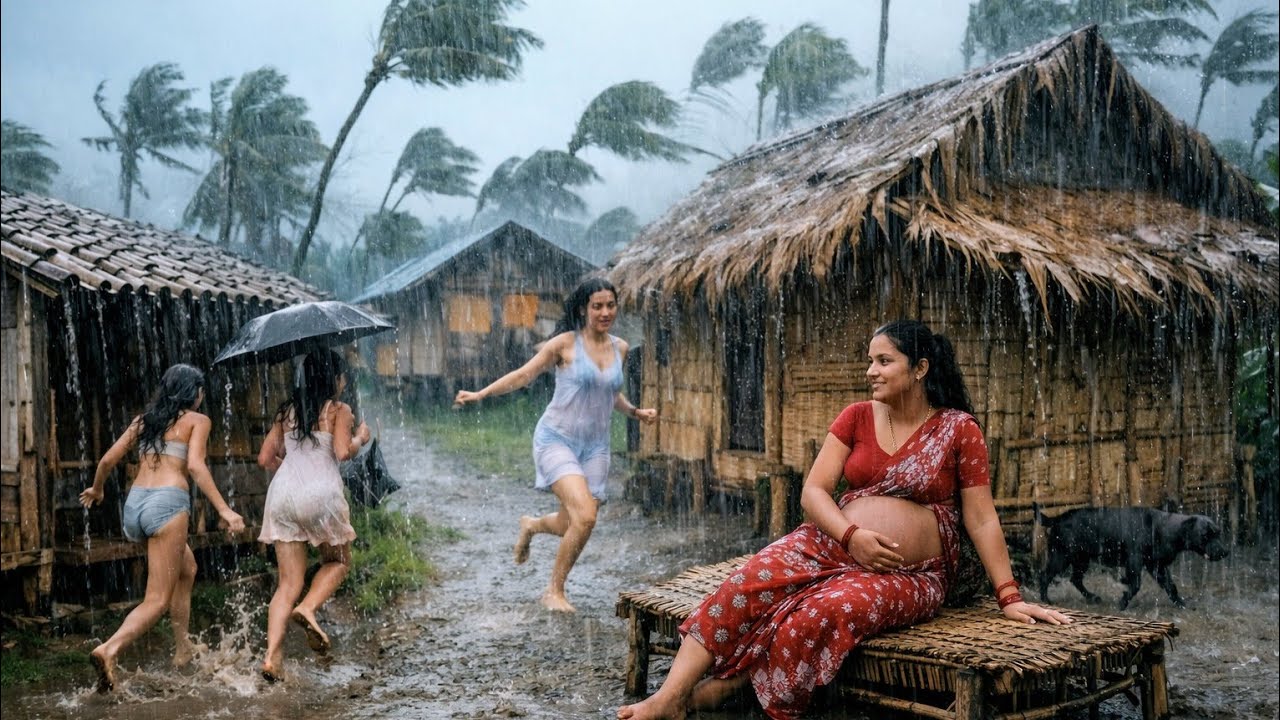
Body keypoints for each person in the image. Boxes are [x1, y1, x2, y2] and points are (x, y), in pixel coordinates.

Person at [617, 320, 1072, 720]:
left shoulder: (958, 429)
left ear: (920, 368)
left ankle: (736, 688)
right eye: (869, 360)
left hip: (909, 573)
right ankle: (670, 698)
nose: (870, 370)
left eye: (883, 360)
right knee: (742, 587)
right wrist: (851, 536)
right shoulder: (855, 417)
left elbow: (982, 518)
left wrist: (1008, 597)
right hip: (829, 541)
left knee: (821, 613)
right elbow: (813, 493)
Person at [454, 277, 657, 613]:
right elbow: (523, 375)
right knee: (587, 517)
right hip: (556, 440)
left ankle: (532, 525)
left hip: (596, 448)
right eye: (597, 306)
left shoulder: (620, 348)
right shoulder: (564, 344)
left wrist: (635, 412)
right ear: (583, 309)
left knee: (571, 522)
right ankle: (554, 590)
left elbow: (609, 392)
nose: (605, 312)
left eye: (610, 305)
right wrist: (481, 394)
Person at [79, 364, 246, 693]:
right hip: (167, 505)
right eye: (200, 390)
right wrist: (225, 510)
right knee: (155, 600)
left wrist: (97, 490)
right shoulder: (197, 421)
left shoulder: (144, 421)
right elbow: (196, 466)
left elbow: (106, 461)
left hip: (135, 506)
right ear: (193, 393)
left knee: (188, 567)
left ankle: (182, 647)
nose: (202, 397)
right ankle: (109, 649)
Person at [257, 349, 370, 682]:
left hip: (282, 496)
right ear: (334, 380)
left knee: (287, 584)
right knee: (338, 562)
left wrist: (292, 473)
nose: (345, 382)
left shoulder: (286, 412)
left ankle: (270, 659)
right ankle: (307, 608)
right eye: (343, 376)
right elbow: (341, 452)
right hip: (321, 495)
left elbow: (265, 458)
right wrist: (360, 438)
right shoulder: (339, 410)